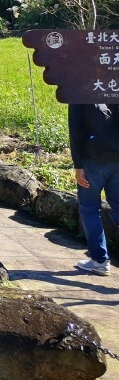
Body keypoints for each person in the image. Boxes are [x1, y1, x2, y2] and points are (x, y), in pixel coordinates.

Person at [68, 103, 119, 276]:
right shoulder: (113, 84)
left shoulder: (79, 90)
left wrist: (78, 165)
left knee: (89, 208)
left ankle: (99, 260)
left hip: (91, 160)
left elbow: (75, 130)